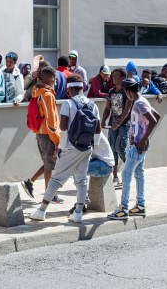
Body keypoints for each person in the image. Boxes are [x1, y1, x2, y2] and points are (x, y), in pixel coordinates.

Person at [30, 74, 101, 223]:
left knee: (56, 179)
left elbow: (62, 126)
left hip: (71, 147)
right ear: (82, 87)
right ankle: (78, 213)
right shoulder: (92, 104)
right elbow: (98, 129)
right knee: (81, 181)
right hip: (87, 147)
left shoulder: (68, 104)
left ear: (69, 90)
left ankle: (41, 211)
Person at [108, 78, 160, 220]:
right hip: (139, 145)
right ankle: (140, 205)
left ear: (128, 91)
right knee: (139, 175)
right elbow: (157, 115)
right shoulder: (142, 101)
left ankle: (123, 209)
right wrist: (145, 139)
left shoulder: (139, 103)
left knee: (126, 175)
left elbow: (154, 120)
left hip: (137, 146)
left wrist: (143, 139)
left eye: (125, 92)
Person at [21, 66, 63, 203]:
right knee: (50, 165)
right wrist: (56, 139)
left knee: (48, 163)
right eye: (54, 78)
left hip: (40, 132)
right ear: (51, 78)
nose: (55, 81)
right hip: (47, 134)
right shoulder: (47, 95)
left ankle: (30, 182)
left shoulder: (37, 92)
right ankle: (49, 195)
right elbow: (51, 120)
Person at [101, 68, 132, 188]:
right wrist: (103, 120)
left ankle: (128, 172)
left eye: (116, 76)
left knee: (120, 148)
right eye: (113, 76)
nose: (113, 78)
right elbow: (107, 108)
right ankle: (115, 176)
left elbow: (127, 109)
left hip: (124, 125)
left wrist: (119, 122)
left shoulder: (126, 91)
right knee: (112, 149)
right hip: (112, 124)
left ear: (123, 78)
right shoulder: (111, 91)